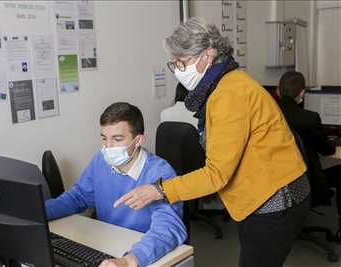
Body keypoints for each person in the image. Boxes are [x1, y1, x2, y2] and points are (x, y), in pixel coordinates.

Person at [114, 17, 311, 267]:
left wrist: (160, 190)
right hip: (265, 195)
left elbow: (217, 174)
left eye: (182, 62)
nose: (177, 70)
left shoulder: (229, 94)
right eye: (173, 63)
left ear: (208, 55)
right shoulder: (226, 84)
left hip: (275, 202)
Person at [45, 102, 187, 267]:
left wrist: (128, 261)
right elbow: (78, 197)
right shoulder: (100, 160)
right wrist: (39, 212)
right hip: (106, 245)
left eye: (117, 139)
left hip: (142, 253)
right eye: (104, 139)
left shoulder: (160, 172)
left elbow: (168, 229)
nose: (108, 147)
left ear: (138, 140)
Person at [276, 71, 341, 241]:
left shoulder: (267, 115)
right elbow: (327, 150)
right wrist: (333, 142)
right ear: (302, 93)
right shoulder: (309, 118)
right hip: (306, 185)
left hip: (276, 185)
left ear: (277, 91)